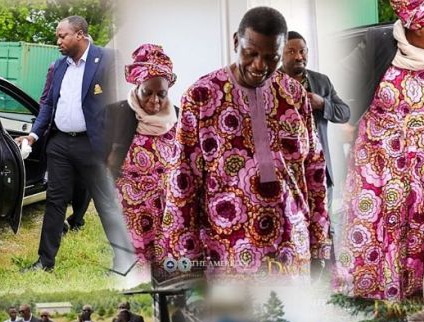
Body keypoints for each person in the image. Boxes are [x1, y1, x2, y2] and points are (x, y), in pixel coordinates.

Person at [161, 7, 330, 277]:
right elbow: (183, 179)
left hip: (292, 251)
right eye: (250, 54)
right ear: (236, 42)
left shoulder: (294, 94)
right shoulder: (201, 96)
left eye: (271, 57)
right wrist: (185, 259)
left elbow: (314, 170)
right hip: (227, 254)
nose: (260, 66)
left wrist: (319, 244)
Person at [334, 0, 424, 301]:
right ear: (417, 27)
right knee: (376, 220)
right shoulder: (380, 44)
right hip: (378, 157)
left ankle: (420, 289)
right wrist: (347, 118)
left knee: (421, 222)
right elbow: (341, 80)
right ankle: (370, 289)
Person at [16, 15, 135, 274]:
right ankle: (44, 262)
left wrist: (116, 148)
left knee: (106, 204)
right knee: (54, 202)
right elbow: (48, 104)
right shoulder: (59, 66)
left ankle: (125, 261)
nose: (57, 40)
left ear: (80, 34)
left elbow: (122, 105)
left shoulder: (108, 59)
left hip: (93, 146)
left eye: (62, 35)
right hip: (59, 144)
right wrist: (33, 136)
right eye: (58, 36)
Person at [105, 43, 179, 266]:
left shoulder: (178, 117)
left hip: (166, 210)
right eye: (148, 93)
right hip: (130, 211)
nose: (155, 101)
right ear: (137, 86)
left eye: (162, 94)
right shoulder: (116, 114)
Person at [279, 31, 351, 190]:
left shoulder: (321, 81)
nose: (298, 56)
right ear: (280, 55)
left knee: (325, 214)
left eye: (302, 51)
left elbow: (344, 113)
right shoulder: (270, 84)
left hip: (320, 171)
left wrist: (322, 104)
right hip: (287, 175)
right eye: (291, 51)